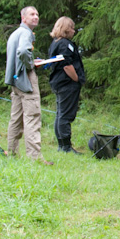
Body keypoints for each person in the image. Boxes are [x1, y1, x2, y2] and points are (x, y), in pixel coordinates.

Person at [5, 6, 52, 164]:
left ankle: (11, 152)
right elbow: (24, 52)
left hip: (14, 80)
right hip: (25, 78)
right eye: (32, 14)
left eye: (37, 14)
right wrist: (31, 64)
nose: (36, 17)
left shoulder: (15, 33)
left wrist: (30, 61)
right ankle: (35, 157)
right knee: (32, 116)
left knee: (15, 118)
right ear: (23, 17)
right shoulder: (26, 33)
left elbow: (19, 54)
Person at [46, 16, 85, 153]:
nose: (74, 31)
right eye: (72, 28)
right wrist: (76, 79)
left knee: (60, 113)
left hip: (59, 82)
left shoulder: (55, 43)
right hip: (66, 83)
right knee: (65, 115)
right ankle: (66, 146)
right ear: (66, 29)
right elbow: (66, 65)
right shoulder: (64, 44)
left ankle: (61, 145)